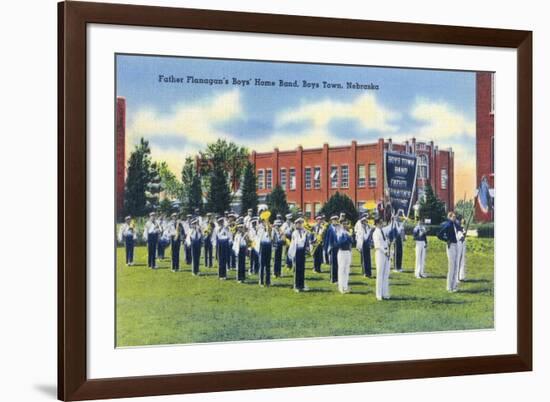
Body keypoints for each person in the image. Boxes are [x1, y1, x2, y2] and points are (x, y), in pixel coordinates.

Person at [437, 211, 460, 292]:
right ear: (449, 217)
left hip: (457, 245)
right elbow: (439, 235)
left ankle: (454, 286)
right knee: (451, 266)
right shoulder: (447, 225)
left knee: (456, 266)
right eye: (453, 217)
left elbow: (460, 230)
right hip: (451, 246)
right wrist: (446, 240)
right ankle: (449, 287)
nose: (455, 218)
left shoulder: (456, 224)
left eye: (455, 216)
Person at [288, 218, 309, 292]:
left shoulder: (303, 232)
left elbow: (305, 242)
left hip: (302, 251)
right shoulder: (295, 233)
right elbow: (299, 242)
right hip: (296, 251)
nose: (300, 225)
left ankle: (301, 285)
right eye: (298, 223)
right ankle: (296, 286)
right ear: (296, 224)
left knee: (302, 268)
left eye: (301, 223)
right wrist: (304, 235)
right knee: (297, 269)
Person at [373, 217, 391, 300]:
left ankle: (385, 293)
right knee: (380, 274)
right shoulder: (375, 233)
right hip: (380, 254)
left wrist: (388, 246)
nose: (382, 224)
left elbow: (384, 242)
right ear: (376, 224)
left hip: (386, 253)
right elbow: (378, 244)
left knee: (386, 274)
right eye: (380, 223)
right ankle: (378, 294)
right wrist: (385, 251)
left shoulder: (382, 231)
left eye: (382, 222)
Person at [336, 220, 353, 294]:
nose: (345, 225)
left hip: (347, 252)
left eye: (346, 224)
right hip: (342, 252)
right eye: (343, 224)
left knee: (347, 270)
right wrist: (347, 237)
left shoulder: (347, 232)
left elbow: (352, 241)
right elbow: (340, 243)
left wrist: (349, 236)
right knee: (341, 270)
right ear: (340, 225)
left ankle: (345, 286)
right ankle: (341, 287)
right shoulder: (339, 232)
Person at [355, 214, 373, 278]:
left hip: (367, 243)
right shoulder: (360, 227)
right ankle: (365, 272)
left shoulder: (368, 227)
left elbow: (370, 233)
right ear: (362, 222)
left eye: (365, 221)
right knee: (364, 259)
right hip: (362, 243)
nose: (365, 222)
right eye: (364, 221)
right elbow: (358, 235)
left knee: (368, 259)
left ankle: (369, 272)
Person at [257, 218, 273, 287]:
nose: (266, 222)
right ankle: (261, 281)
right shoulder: (260, 229)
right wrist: (264, 228)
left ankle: (268, 281)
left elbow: (271, 237)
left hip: (268, 246)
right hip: (262, 246)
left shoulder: (270, 228)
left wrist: (268, 228)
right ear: (262, 222)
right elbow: (259, 237)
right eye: (265, 221)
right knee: (262, 265)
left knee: (268, 265)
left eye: (267, 221)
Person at [324, 215, 340, 283]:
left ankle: (337, 278)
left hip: (338, 247)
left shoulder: (339, 227)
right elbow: (327, 239)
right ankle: (333, 279)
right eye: (334, 220)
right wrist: (326, 248)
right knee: (333, 264)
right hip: (332, 247)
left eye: (336, 220)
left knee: (338, 263)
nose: (335, 221)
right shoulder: (330, 229)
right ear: (331, 221)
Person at [456, 214, 467, 281]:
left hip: (463, 244)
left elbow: (464, 234)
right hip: (458, 244)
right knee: (458, 260)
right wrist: (463, 235)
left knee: (463, 260)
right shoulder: (456, 228)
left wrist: (464, 232)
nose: (459, 221)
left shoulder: (462, 227)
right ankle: (456, 277)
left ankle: (461, 276)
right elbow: (461, 237)